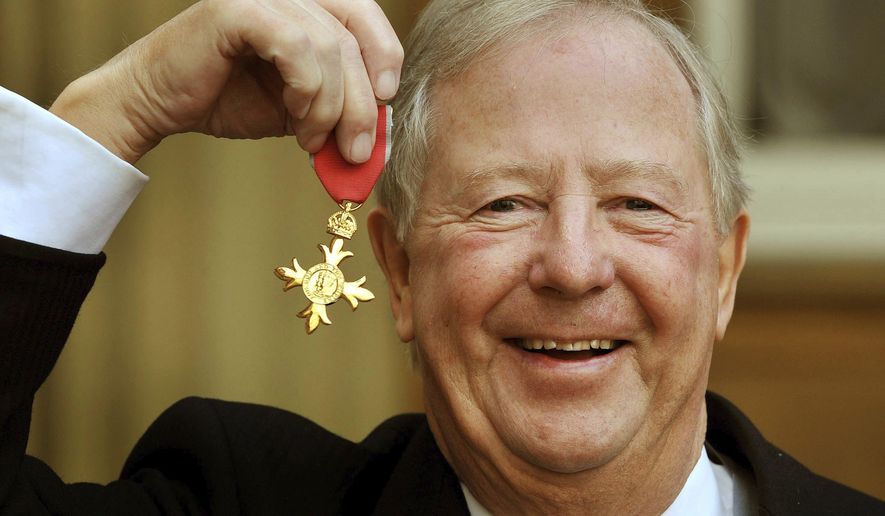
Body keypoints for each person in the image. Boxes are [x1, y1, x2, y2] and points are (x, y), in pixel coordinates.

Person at [0, 0, 882, 514]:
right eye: (504, 204)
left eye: (635, 205)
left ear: (723, 273)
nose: (573, 267)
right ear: (402, 273)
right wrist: (119, 109)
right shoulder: (237, 495)